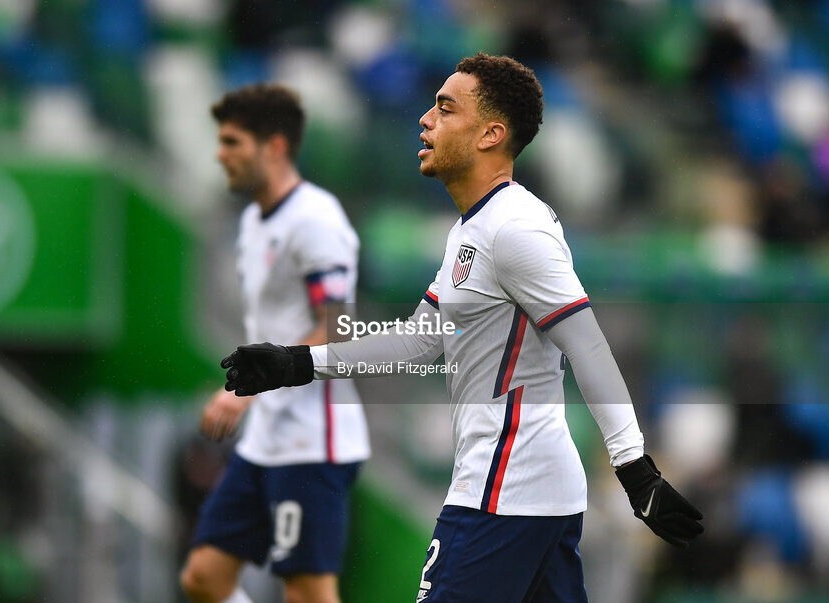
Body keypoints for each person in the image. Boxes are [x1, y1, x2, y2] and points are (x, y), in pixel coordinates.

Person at [219, 54, 704, 602]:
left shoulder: (515, 230)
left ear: (491, 134)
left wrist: (635, 470)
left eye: (446, 109)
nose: (425, 119)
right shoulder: (476, 229)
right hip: (532, 490)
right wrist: (296, 363)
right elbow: (419, 339)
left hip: (503, 491)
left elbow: (587, 343)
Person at [180, 84, 370, 603]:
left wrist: (247, 388)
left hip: (314, 440)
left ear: (276, 147)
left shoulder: (316, 219)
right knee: (204, 577)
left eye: (233, 141)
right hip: (267, 438)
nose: (220, 154)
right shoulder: (251, 222)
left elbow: (339, 325)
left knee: (306, 592)